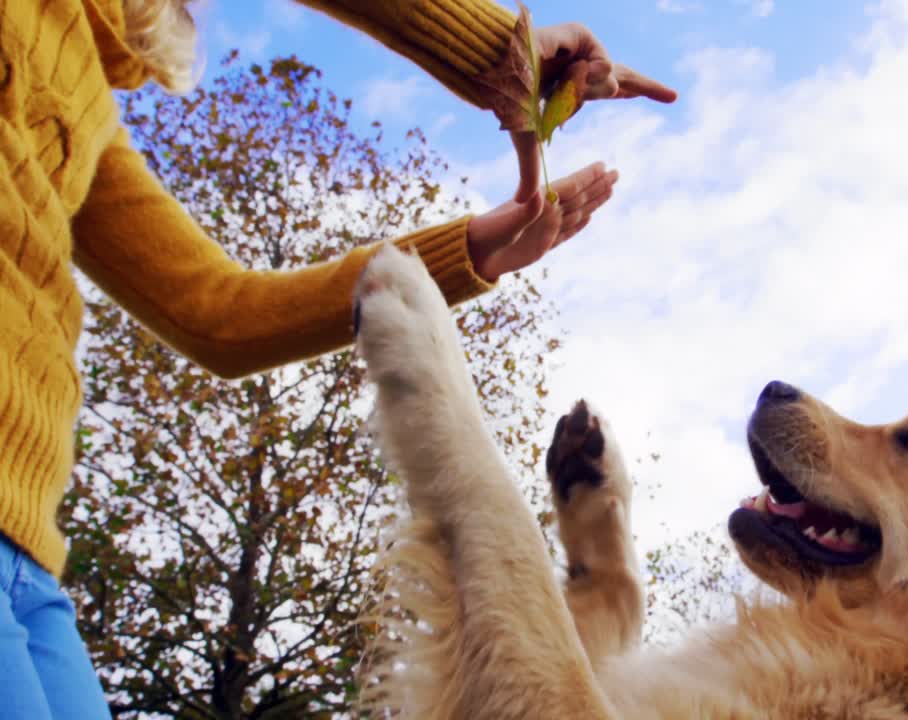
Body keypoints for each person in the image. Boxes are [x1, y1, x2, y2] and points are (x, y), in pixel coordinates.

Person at [0, 0, 677, 716]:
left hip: (30, 561)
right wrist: (491, 51)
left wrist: (472, 250)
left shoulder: (83, 92)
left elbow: (218, 313)